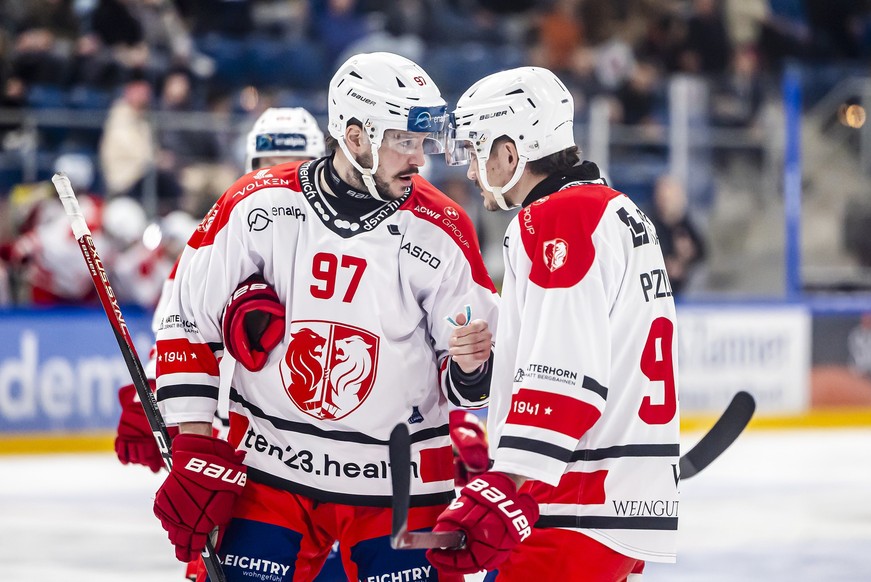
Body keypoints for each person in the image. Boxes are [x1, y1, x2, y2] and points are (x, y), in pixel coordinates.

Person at [151, 52, 498, 582]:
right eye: (404, 141)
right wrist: (194, 444)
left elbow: (470, 377)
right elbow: (186, 321)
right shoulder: (256, 205)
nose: (419, 159)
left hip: (397, 487)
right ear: (355, 137)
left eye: (423, 142)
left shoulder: (443, 228)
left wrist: (472, 369)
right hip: (272, 474)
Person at [428, 66, 680, 581]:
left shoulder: (556, 218)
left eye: (478, 152)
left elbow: (566, 376)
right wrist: (489, 365)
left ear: (511, 152)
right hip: (620, 498)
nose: (473, 172)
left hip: (570, 502)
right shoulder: (616, 210)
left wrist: (507, 484)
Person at [112, 106, 342, 580]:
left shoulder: (363, 248)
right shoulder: (216, 244)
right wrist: (151, 399)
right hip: (251, 463)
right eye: (267, 166)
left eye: (298, 164)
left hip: (345, 472)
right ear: (248, 169)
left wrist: (456, 427)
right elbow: (181, 331)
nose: (281, 177)